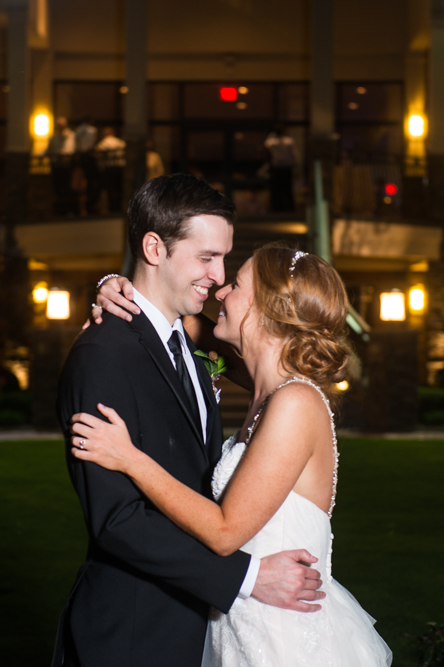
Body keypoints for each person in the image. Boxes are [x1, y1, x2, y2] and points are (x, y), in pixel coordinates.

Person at [53, 175, 328, 667]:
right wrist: (244, 579)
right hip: (136, 633)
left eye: (225, 260)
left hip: (207, 627)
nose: (219, 278)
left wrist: (110, 284)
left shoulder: (193, 349)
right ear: (154, 248)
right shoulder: (102, 355)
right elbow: (117, 520)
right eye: (206, 258)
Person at [78, 245, 393, 665]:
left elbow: (226, 532)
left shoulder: (295, 402)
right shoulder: (268, 388)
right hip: (239, 624)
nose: (221, 292)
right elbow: (172, 315)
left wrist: (130, 458)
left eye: (236, 285)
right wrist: (113, 288)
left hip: (281, 638)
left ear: (269, 308)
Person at [47, 117, 77, 216]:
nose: (60, 127)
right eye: (58, 125)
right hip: (56, 165)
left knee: (68, 187)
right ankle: (59, 211)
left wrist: (64, 153)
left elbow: (71, 148)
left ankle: (68, 210)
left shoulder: (71, 135)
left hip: (67, 165)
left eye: (62, 125)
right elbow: (48, 149)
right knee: (57, 187)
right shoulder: (54, 137)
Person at [264, 127, 297, 212]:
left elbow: (267, 143)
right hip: (286, 168)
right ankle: (290, 209)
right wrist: (296, 165)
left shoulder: (274, 142)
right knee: (287, 189)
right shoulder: (289, 141)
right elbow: (293, 155)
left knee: (277, 190)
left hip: (278, 168)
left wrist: (272, 134)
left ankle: (278, 209)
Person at [95, 127, 126, 213]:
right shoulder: (119, 142)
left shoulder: (105, 142)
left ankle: (113, 209)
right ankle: (119, 208)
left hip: (110, 168)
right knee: (119, 189)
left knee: (111, 190)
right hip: (120, 168)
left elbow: (99, 150)